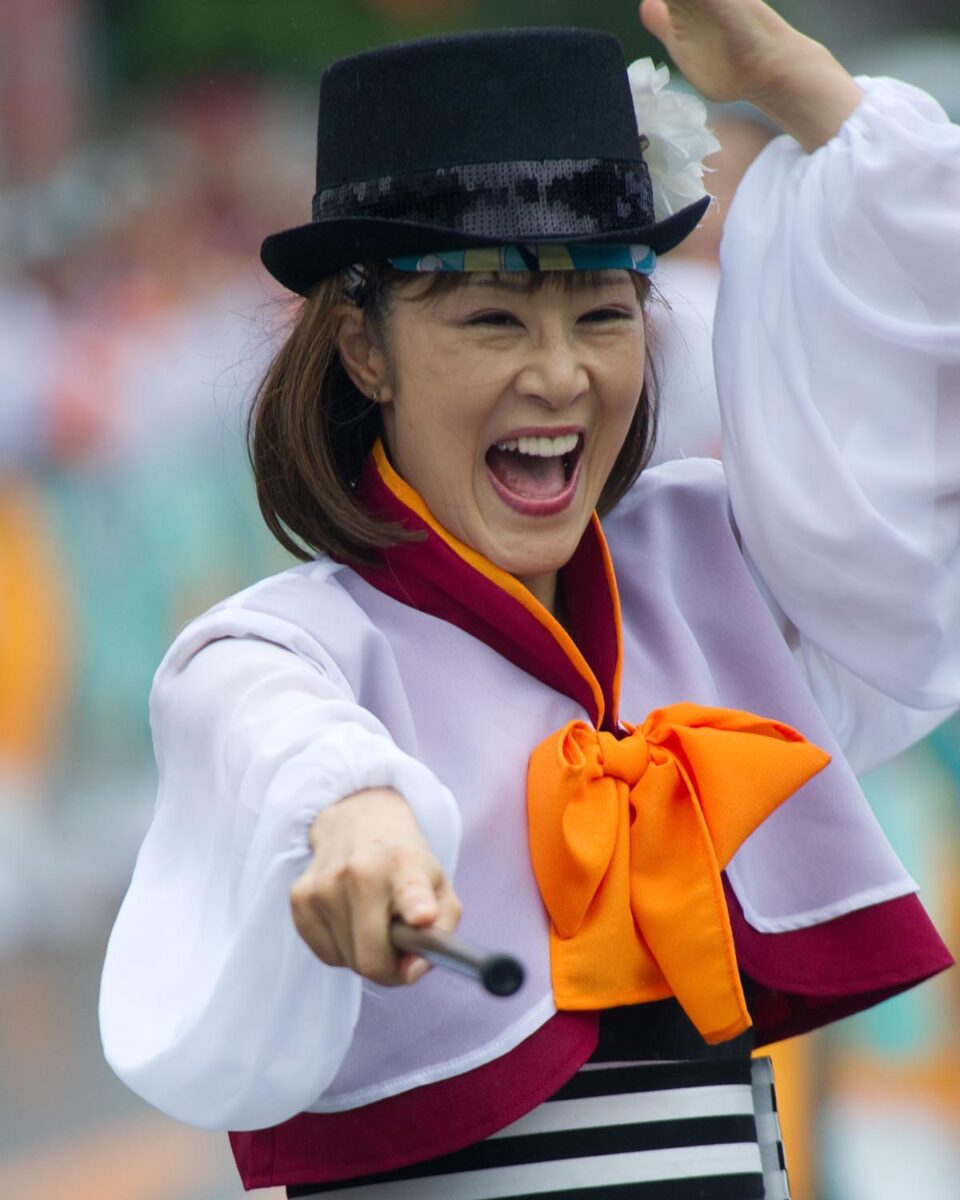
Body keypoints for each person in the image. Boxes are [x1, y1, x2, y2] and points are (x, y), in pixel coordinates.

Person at [99, 1, 960, 1196]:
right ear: (363, 348)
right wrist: (358, 820)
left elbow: (923, 409)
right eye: (493, 319)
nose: (560, 375)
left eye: (603, 316)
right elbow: (282, 744)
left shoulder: (722, 571)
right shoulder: (280, 648)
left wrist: (806, 88)